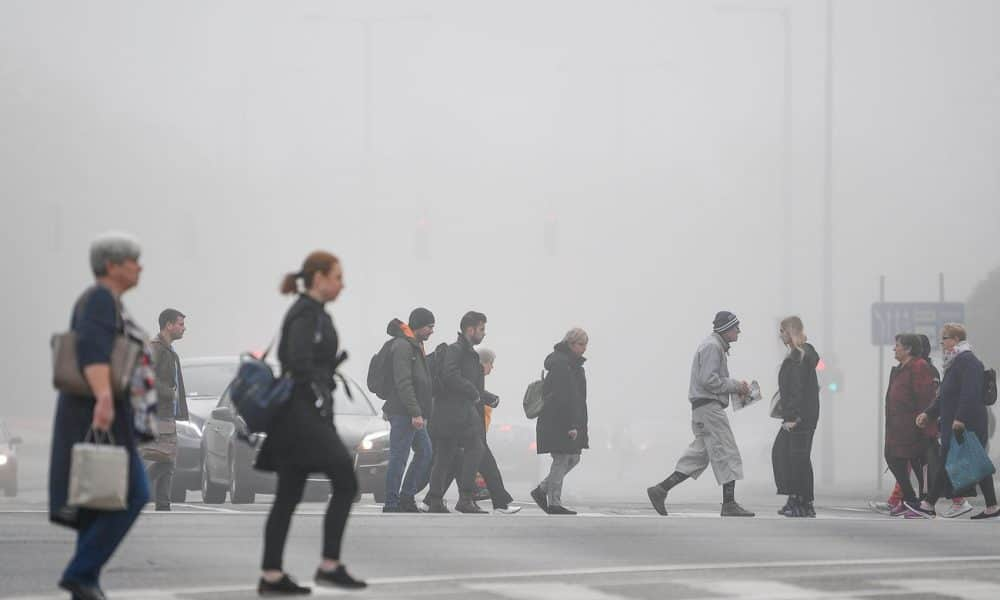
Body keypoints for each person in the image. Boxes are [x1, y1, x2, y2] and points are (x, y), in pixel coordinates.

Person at [255, 251, 365, 595]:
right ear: (319, 278)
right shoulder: (306, 313)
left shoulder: (311, 311)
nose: (342, 284)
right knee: (345, 480)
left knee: (288, 495)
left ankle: (271, 575)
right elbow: (296, 360)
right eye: (337, 277)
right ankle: (328, 565)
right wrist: (318, 387)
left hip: (299, 417)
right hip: (303, 416)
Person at [49, 232, 152, 600]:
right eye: (133, 261)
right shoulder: (99, 301)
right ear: (111, 266)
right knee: (136, 492)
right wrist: (105, 398)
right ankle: (80, 573)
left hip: (100, 411)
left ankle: (85, 583)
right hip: (98, 411)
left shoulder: (110, 302)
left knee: (96, 503)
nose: (140, 267)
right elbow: (92, 353)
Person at [646, 311, 755, 517]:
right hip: (709, 409)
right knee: (726, 451)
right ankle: (729, 503)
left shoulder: (712, 346)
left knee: (698, 456)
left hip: (701, 409)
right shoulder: (713, 347)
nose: (738, 331)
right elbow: (709, 380)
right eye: (735, 327)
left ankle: (661, 490)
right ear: (726, 328)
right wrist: (736, 386)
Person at [914, 323, 999, 519]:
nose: (941, 342)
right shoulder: (955, 362)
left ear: (955, 339)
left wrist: (960, 418)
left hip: (964, 424)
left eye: (944, 338)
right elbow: (946, 395)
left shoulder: (968, 361)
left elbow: (970, 394)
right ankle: (992, 507)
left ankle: (928, 504)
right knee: (977, 463)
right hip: (954, 422)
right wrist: (928, 414)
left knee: (947, 463)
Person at [424, 311, 490, 514]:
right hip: (454, 413)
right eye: (481, 329)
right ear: (470, 330)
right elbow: (450, 375)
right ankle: (465, 498)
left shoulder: (467, 352)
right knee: (475, 449)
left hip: (453, 413)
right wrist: (471, 391)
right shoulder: (457, 350)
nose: (484, 334)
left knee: (445, 455)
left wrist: (484, 395)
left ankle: (435, 500)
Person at [381, 308, 435, 513]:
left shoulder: (415, 345)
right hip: (405, 412)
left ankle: (406, 497)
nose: (431, 331)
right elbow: (403, 382)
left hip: (412, 411)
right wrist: (415, 412)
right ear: (419, 326)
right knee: (399, 457)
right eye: (429, 327)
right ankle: (392, 502)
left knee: (425, 452)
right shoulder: (404, 346)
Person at [531, 328, 590, 516]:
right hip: (559, 420)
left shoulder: (569, 364)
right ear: (571, 344)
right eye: (581, 344)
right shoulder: (562, 365)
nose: (584, 349)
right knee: (562, 458)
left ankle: (542, 490)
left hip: (566, 418)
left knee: (573, 458)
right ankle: (554, 503)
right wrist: (571, 425)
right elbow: (564, 397)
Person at [771, 316, 821, 518]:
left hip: (800, 417)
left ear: (790, 331)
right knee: (785, 454)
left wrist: (793, 416)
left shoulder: (801, 355)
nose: (780, 335)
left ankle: (804, 502)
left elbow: (797, 389)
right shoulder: (798, 354)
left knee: (798, 458)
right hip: (800, 415)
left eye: (782, 331)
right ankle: (796, 497)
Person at [882, 333, 936, 517]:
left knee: (917, 464)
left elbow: (925, 396)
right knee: (892, 457)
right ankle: (910, 499)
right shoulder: (900, 368)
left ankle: (921, 503)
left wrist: (925, 420)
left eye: (897, 345)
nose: (894, 348)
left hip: (913, 425)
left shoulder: (919, 366)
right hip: (897, 426)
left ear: (908, 349)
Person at [143, 308, 190, 511]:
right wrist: (168, 393)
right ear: (168, 325)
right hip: (159, 412)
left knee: (167, 458)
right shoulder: (156, 349)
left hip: (167, 412)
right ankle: (139, 487)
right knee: (167, 458)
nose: (184, 328)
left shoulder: (169, 351)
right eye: (180, 324)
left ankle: (163, 504)